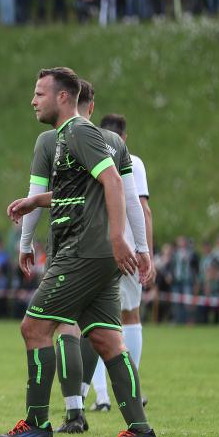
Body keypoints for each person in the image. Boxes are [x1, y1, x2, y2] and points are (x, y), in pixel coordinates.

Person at [0, 67, 156, 437]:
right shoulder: (72, 137)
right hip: (97, 255)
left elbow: (112, 182)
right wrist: (37, 200)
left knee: (34, 328)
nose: (33, 101)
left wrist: (117, 238)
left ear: (63, 97)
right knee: (107, 339)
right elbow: (87, 191)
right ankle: (140, 430)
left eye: (39, 94)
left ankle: (36, 423)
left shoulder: (78, 132)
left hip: (82, 250)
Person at [88, 114, 154, 410]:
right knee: (130, 315)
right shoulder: (133, 162)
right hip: (128, 247)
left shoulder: (89, 157)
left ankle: (100, 395)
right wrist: (146, 252)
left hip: (95, 246)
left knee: (94, 321)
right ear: (124, 138)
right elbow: (143, 209)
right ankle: (131, 390)